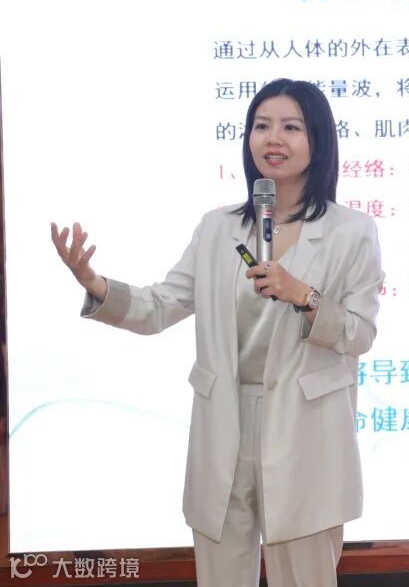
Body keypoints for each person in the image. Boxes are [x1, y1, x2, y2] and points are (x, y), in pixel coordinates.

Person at [50, 78, 384, 587]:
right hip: (224, 422)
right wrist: (95, 284)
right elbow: (159, 306)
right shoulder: (217, 228)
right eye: (261, 126)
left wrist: (304, 295)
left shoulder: (351, 231)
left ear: (318, 140)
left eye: (291, 127)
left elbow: (359, 334)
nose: (273, 138)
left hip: (305, 430)